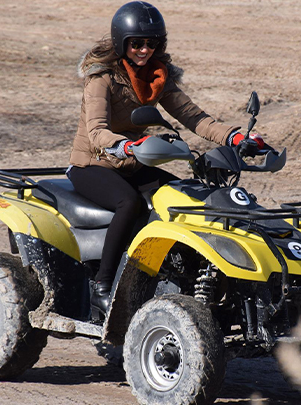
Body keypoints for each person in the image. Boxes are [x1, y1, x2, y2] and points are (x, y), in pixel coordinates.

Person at [67, 1, 265, 316]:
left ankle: (183, 274)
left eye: (151, 43)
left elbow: (195, 118)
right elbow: (97, 132)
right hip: (94, 164)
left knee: (187, 198)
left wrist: (235, 136)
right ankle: (103, 288)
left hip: (132, 163)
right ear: (122, 42)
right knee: (128, 203)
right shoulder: (101, 78)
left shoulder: (157, 76)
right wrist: (128, 145)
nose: (144, 50)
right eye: (136, 43)